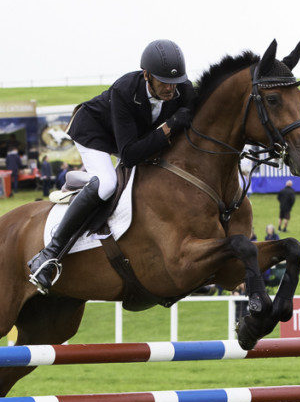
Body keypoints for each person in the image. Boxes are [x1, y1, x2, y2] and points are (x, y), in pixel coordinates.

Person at [28, 39, 195, 292]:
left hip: (133, 138)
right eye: (163, 81)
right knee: (107, 184)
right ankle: (48, 255)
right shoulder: (125, 90)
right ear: (147, 75)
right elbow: (128, 155)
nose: (171, 88)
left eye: (175, 82)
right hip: (94, 133)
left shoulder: (182, 88)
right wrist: (169, 126)